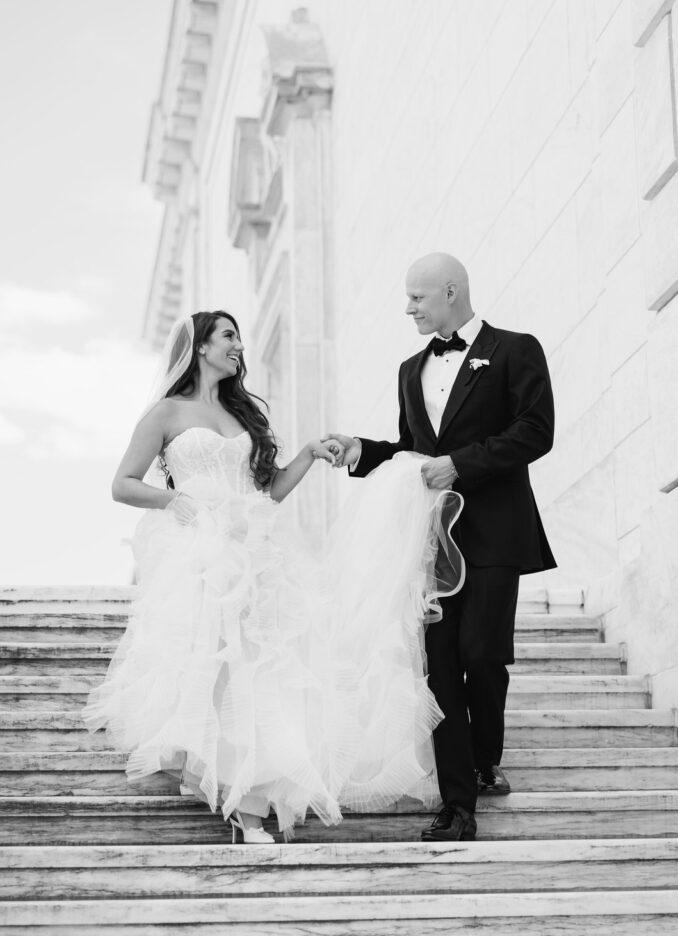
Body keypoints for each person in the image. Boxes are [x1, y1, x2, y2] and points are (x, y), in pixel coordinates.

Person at [83, 308, 464, 842]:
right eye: (229, 336)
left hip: (259, 549)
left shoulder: (245, 417)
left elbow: (269, 491)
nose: (240, 345)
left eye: (239, 336)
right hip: (202, 555)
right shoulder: (165, 413)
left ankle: (253, 808)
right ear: (200, 347)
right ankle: (230, 790)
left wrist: (309, 453)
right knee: (215, 668)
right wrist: (176, 500)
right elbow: (123, 484)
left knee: (266, 673)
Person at [327, 252, 556, 842]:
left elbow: (536, 430)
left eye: (416, 297)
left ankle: (485, 758)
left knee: (484, 654)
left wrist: (462, 464)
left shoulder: (515, 349)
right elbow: (413, 451)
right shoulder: (409, 369)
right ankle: (457, 804)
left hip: (497, 530)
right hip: (429, 538)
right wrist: (361, 449)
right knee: (439, 665)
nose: (408, 308)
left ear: (450, 291)